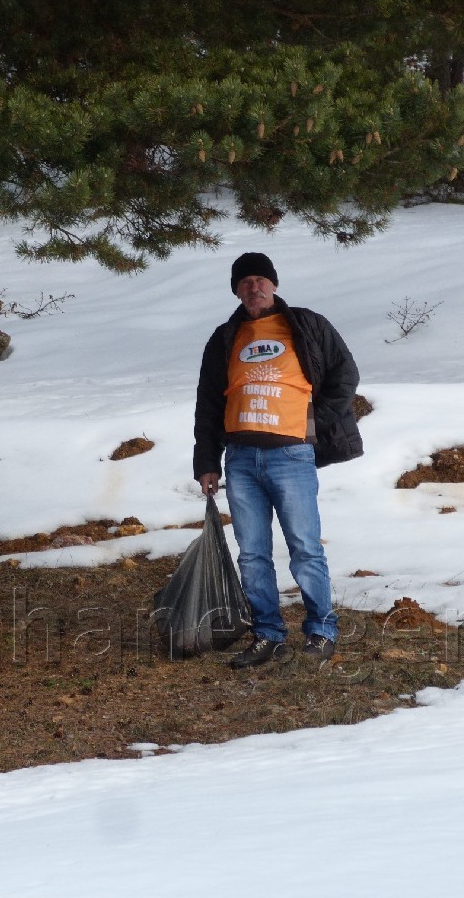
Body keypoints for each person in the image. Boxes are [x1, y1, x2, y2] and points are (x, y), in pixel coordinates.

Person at [193, 252, 363, 669]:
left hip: (291, 454)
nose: (254, 287)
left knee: (304, 547)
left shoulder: (306, 325)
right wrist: (206, 461)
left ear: (274, 284)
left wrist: (312, 423)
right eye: (245, 281)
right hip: (241, 458)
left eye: (260, 279)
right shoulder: (224, 336)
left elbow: (345, 376)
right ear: (236, 289)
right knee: (251, 553)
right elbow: (208, 403)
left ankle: (322, 630)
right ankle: (267, 633)